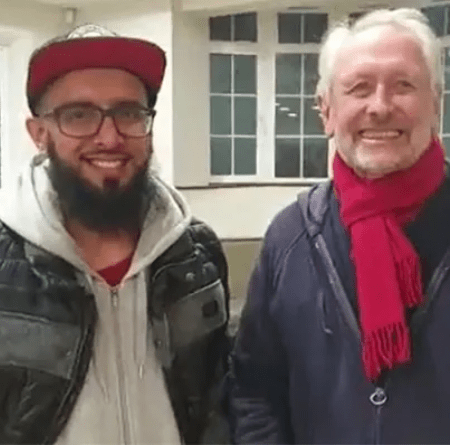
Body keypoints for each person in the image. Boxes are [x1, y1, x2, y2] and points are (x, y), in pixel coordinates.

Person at [0, 24, 230, 444]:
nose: (109, 137)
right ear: (39, 134)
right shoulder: (5, 262)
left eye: (128, 113)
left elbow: (216, 401)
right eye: (78, 115)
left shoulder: (196, 254)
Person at [229, 8, 450, 444]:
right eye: (359, 88)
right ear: (326, 110)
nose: (380, 106)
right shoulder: (289, 238)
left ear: (436, 105)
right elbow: (254, 390)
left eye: (403, 86)